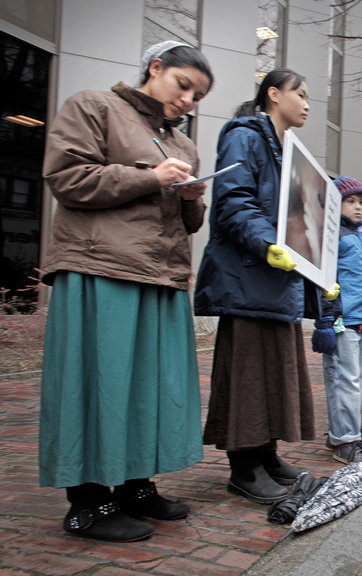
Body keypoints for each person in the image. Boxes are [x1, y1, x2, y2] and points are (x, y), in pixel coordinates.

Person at [39, 41, 213, 542]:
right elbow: (66, 177)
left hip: (160, 275)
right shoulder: (93, 106)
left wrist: (190, 197)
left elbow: (189, 223)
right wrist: (150, 177)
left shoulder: (182, 145)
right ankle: (88, 503)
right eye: (183, 85)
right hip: (101, 267)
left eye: (197, 95)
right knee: (99, 383)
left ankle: (136, 486)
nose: (188, 100)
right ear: (155, 68)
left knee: (148, 390)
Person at [194, 69, 320, 504]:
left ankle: (266, 455)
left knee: (274, 368)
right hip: (249, 275)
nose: (306, 103)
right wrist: (268, 244)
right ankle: (243, 468)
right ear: (273, 94)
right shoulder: (244, 136)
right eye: (299, 94)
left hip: (275, 279)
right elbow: (233, 201)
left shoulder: (288, 151)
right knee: (248, 372)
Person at [314, 176, 362, 467]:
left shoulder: (359, 237)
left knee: (356, 380)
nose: (358, 208)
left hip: (361, 320)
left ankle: (343, 434)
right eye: (350, 201)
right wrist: (326, 320)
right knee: (344, 380)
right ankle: (345, 441)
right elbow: (325, 280)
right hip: (342, 320)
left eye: (361, 203)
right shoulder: (333, 237)